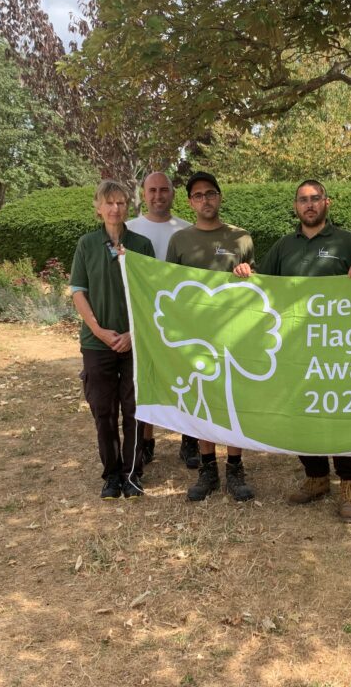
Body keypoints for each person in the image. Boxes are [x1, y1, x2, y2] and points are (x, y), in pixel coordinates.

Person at [235, 179, 351, 522]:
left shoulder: (346, 241)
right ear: (295, 206)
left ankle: (348, 484)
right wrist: (245, 273)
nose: (310, 204)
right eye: (303, 200)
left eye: (315, 198)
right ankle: (315, 477)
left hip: (339, 349)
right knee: (302, 411)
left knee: (340, 413)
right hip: (296, 349)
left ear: (327, 203)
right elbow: (262, 282)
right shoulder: (285, 246)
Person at [165, 171, 257, 502]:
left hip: (233, 333)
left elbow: (257, 287)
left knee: (233, 399)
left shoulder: (240, 238)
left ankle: (235, 468)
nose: (206, 199)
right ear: (190, 202)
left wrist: (249, 274)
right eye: (198, 195)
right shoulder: (180, 241)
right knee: (201, 401)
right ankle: (208, 470)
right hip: (194, 335)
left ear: (220, 196)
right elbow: (167, 285)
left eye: (211, 193)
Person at [70, 180, 156, 500]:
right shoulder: (87, 245)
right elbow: (79, 291)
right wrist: (99, 331)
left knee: (134, 410)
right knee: (103, 410)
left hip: (134, 342)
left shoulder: (142, 245)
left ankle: (133, 474)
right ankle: (112, 474)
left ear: (128, 207)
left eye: (120, 203)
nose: (115, 208)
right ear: (98, 207)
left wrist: (134, 334)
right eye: (108, 203)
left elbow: (151, 296)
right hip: (98, 343)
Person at [125, 170, 198, 470]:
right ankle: (146, 441)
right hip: (140, 318)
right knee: (144, 380)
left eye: (163, 190)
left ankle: (190, 441)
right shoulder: (129, 229)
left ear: (173, 193)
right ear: (143, 194)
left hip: (179, 320)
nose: (158, 196)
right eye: (152, 190)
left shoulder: (188, 230)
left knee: (187, 380)